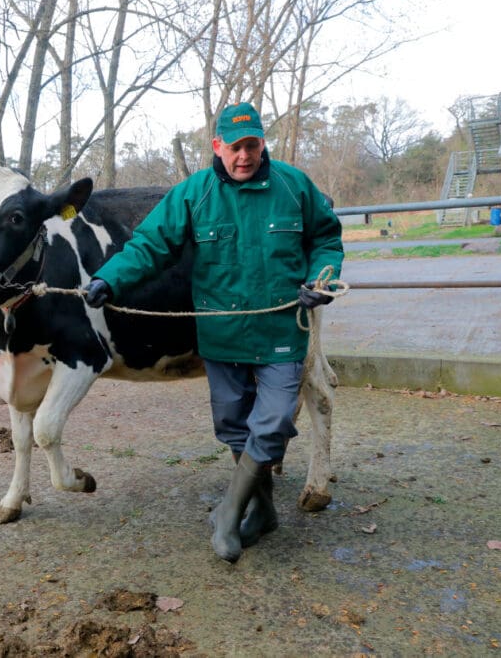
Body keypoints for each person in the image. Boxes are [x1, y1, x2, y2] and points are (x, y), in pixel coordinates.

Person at [83, 102, 343, 563]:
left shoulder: (293, 185)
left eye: (253, 145)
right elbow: (149, 245)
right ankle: (261, 512)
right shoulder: (194, 193)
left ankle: (229, 512)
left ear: (263, 142)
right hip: (222, 335)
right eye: (235, 146)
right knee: (232, 426)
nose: (244, 156)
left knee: (276, 419)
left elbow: (326, 237)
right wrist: (109, 278)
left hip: (281, 330)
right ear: (217, 145)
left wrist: (321, 278)